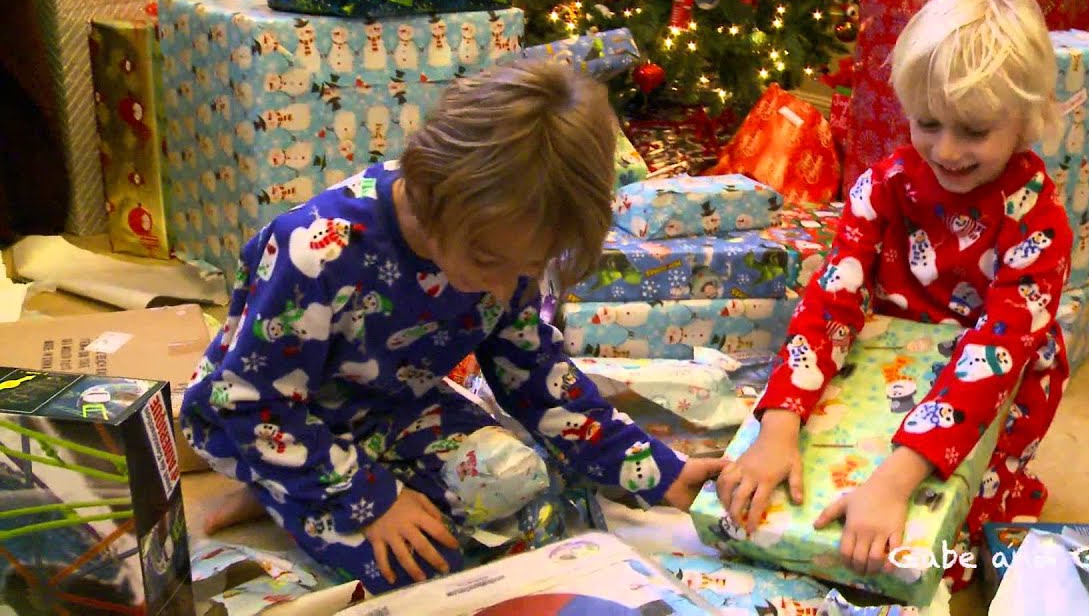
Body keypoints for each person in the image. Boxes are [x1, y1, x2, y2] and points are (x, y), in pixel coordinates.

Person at [180, 60, 725, 594]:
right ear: (433, 198)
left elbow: (537, 378)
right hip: (274, 418)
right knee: (416, 569)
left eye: (528, 268)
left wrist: (662, 471)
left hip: (395, 408)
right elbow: (247, 403)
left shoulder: (507, 247)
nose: (505, 289)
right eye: (490, 263)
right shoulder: (317, 250)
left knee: (536, 510)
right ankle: (273, 483)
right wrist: (372, 500)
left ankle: (295, 489)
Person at [715, 0, 1073, 591]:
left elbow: (997, 355)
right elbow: (832, 300)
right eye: (927, 123)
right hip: (887, 360)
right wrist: (778, 427)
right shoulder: (883, 187)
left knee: (937, 548)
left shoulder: (1037, 221)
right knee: (810, 460)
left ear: (1026, 120)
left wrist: (894, 481)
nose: (947, 150)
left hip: (994, 375)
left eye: (974, 131)